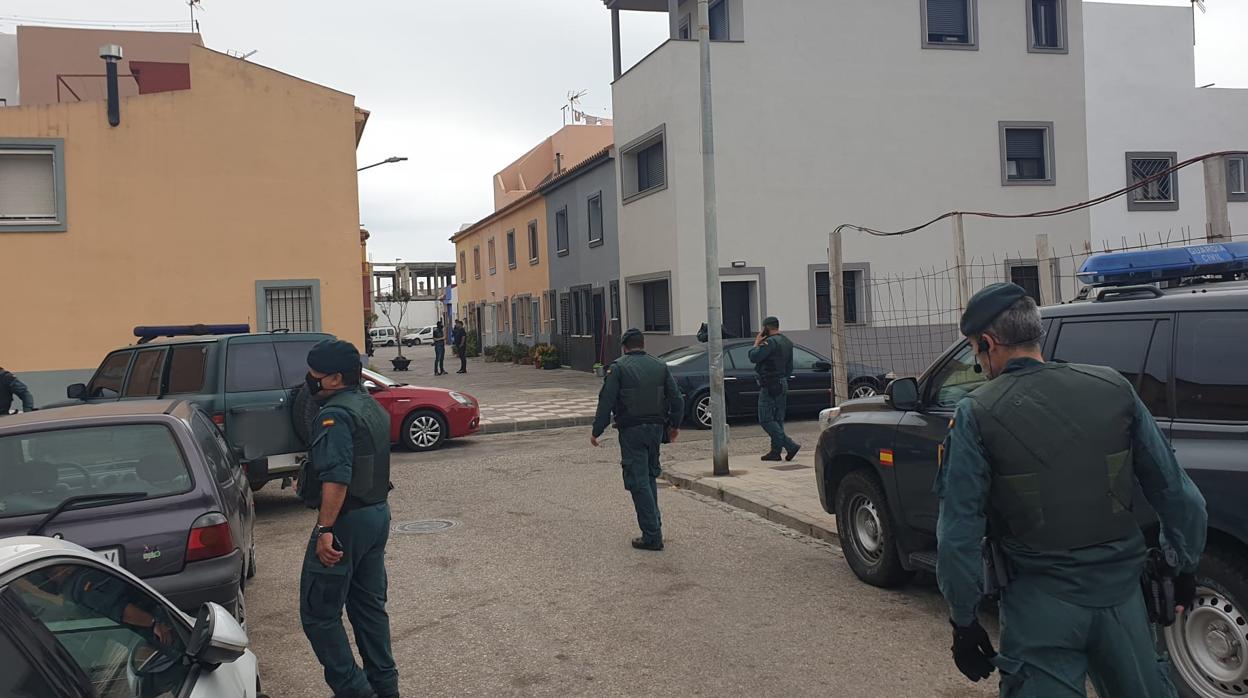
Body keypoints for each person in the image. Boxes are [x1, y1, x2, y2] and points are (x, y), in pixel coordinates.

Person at [935, 282, 1207, 697]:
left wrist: (963, 619)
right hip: (1122, 599)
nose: (980, 365)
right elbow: (1179, 495)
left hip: (1039, 606)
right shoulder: (1113, 387)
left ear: (988, 343)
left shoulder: (976, 412)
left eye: (976, 353)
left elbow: (959, 532)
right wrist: (1183, 567)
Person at [298, 339, 399, 698]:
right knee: (369, 609)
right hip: (376, 514)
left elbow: (337, 477)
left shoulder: (335, 415)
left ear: (335, 379)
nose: (309, 380)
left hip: (346, 522)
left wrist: (325, 529)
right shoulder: (368, 404)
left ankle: (355, 690)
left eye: (315, 374)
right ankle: (385, 687)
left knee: (319, 614)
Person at [590, 328, 684, 551]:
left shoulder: (618, 368)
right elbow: (677, 399)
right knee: (649, 476)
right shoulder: (660, 366)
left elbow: (606, 401)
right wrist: (674, 426)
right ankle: (655, 525)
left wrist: (597, 430)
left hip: (632, 430)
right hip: (656, 429)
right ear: (643, 344)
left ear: (624, 347)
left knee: (638, 480)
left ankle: (652, 536)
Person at [747, 317, 800, 461]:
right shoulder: (787, 342)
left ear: (766, 328)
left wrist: (756, 343)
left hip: (770, 383)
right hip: (782, 382)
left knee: (765, 419)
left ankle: (790, 445)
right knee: (778, 419)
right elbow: (789, 367)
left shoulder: (769, 343)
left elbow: (753, 357)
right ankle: (775, 452)